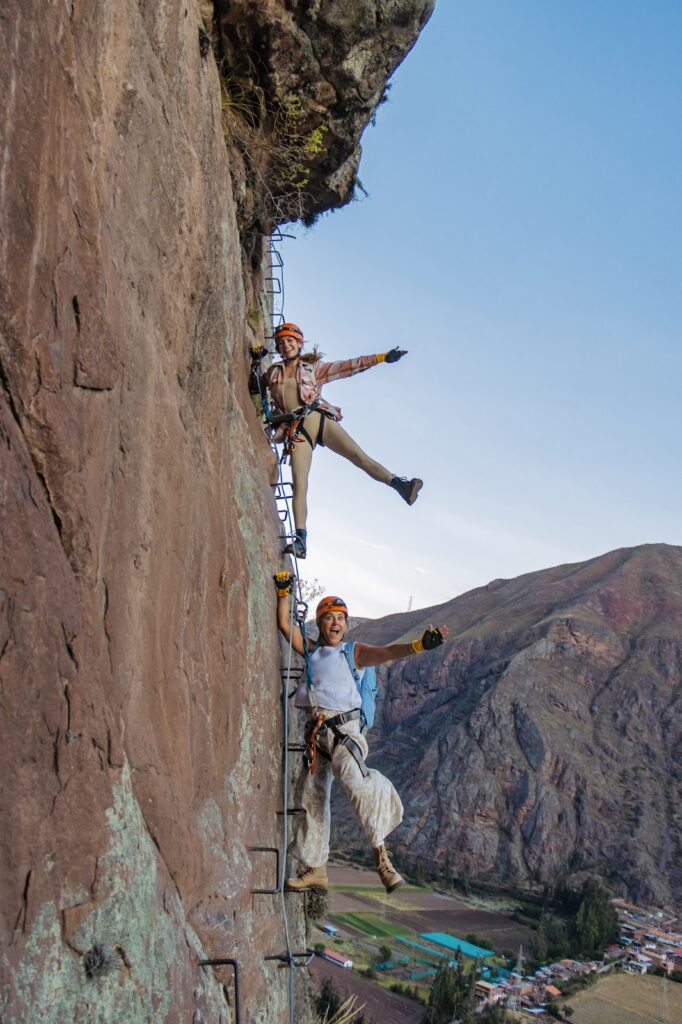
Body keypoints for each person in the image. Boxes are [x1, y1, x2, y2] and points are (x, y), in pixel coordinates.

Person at [274, 577, 448, 894]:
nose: (335, 622)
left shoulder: (353, 653)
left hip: (344, 731)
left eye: (340, 618)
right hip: (317, 735)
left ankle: (383, 860)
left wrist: (419, 645)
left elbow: (386, 653)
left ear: (347, 624)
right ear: (320, 623)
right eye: (328, 617)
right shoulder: (312, 651)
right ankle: (316, 870)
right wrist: (283, 592)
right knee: (311, 801)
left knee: (355, 782)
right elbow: (286, 626)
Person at [263, 322, 423, 559]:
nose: (285, 346)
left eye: (290, 341)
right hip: (295, 429)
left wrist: (382, 357)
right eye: (281, 343)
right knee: (300, 483)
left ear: (299, 343)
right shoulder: (273, 373)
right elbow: (258, 388)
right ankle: (301, 539)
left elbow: (349, 367)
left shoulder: (312, 368)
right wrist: (256, 360)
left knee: (359, 457)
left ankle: (400, 485)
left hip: (317, 418)